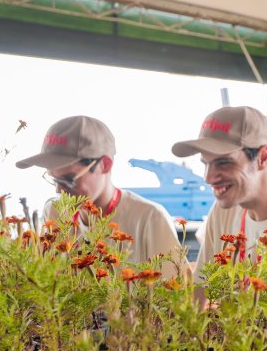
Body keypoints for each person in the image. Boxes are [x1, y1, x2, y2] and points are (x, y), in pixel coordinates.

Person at [172, 106, 267, 282]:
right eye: (206, 164)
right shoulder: (224, 209)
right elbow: (200, 288)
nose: (208, 178)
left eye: (223, 162)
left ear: (263, 158)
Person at [16, 115, 185, 272]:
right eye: (54, 179)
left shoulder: (149, 219)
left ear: (105, 165)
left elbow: (176, 298)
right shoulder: (54, 211)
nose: (58, 190)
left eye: (68, 179)